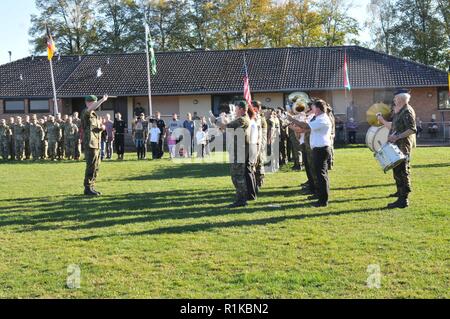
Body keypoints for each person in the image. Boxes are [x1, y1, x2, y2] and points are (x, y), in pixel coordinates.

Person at [377, 90, 417, 209]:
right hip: (396, 145)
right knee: (397, 170)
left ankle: (403, 200)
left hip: (403, 146)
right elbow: (393, 126)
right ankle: (400, 192)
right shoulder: (399, 111)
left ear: (401, 99)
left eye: (395, 99)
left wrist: (397, 136)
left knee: (403, 171)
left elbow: (412, 129)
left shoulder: (407, 111)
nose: (394, 101)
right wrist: (382, 120)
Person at [289, 99, 332, 207]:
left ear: (317, 108)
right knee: (319, 174)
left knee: (321, 175)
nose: (311, 109)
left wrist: (291, 118)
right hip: (318, 149)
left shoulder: (322, 119)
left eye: (312, 107)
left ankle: (323, 200)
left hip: (321, 149)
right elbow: (305, 128)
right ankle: (320, 196)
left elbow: (305, 126)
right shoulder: (318, 118)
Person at [218, 101, 250, 208]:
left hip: (239, 151)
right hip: (237, 150)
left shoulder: (242, 119)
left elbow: (227, 127)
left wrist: (216, 120)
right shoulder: (240, 119)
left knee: (238, 176)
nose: (235, 111)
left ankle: (242, 199)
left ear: (241, 109)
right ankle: (240, 198)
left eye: (236, 109)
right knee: (235, 175)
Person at [81, 95, 108, 196]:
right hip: (90, 144)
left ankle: (92, 186)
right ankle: (87, 188)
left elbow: (94, 129)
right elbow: (91, 108)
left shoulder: (94, 115)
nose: (97, 104)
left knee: (96, 166)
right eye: (95, 102)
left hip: (96, 143)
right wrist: (103, 100)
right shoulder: (85, 112)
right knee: (91, 166)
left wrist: (101, 128)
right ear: (89, 102)